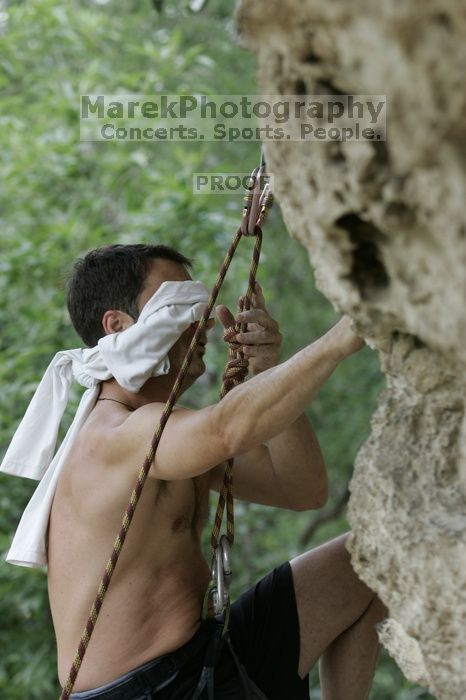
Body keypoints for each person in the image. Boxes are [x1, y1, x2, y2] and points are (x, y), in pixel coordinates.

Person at [4, 243, 388, 700]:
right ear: (117, 325)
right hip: (143, 693)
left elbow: (302, 488)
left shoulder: (171, 434)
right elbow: (227, 430)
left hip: (205, 657)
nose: (201, 321)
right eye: (178, 304)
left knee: (370, 560)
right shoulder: (114, 434)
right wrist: (344, 336)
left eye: (199, 305)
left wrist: (269, 367)